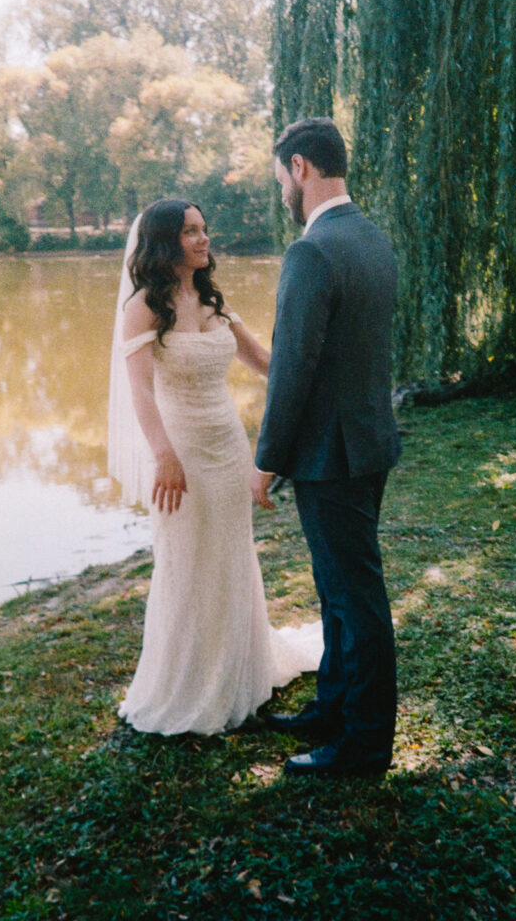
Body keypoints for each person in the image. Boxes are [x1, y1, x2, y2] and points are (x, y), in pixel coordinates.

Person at [108, 198, 321, 736]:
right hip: (179, 454)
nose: (204, 239)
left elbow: (267, 365)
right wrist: (163, 456)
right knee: (186, 561)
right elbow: (140, 393)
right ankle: (188, 686)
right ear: (163, 242)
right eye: (189, 232)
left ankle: (241, 677)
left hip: (227, 448)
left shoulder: (212, 301)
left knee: (230, 556)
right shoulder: (143, 306)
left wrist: (322, 374)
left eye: (204, 229)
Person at [251, 118, 402, 778]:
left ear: (300, 168)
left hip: (330, 455)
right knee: (338, 591)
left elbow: (292, 369)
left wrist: (265, 462)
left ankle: (364, 744)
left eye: (281, 173)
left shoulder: (311, 251)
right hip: (366, 443)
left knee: (356, 598)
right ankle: (331, 707)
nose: (281, 185)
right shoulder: (372, 239)